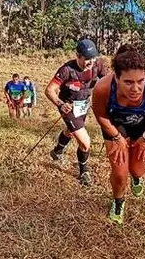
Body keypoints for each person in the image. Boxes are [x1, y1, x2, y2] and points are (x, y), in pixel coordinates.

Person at [91, 44, 145, 224]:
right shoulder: (103, 88)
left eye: (140, 81)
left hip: (142, 125)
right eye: (128, 82)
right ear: (116, 77)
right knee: (120, 173)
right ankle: (118, 201)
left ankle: (137, 179)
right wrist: (116, 137)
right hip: (116, 125)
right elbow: (100, 115)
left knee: (137, 169)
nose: (136, 88)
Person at [45, 38, 108, 185]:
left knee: (71, 131)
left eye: (93, 58)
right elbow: (49, 90)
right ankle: (84, 172)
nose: (91, 62)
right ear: (78, 56)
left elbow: (107, 81)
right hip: (68, 107)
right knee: (85, 142)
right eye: (87, 59)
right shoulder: (67, 70)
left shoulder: (97, 65)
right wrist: (60, 104)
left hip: (83, 105)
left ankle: (57, 151)